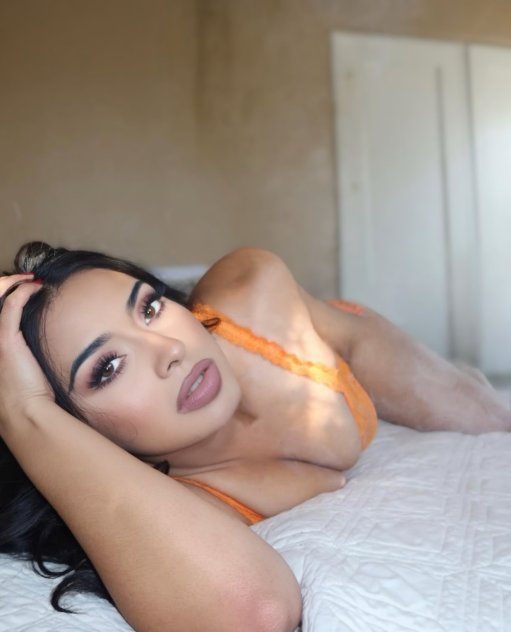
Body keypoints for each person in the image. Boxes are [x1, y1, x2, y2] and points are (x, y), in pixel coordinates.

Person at [0, 241, 509, 632]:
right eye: (108, 367)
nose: (168, 349)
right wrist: (26, 416)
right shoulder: (188, 505)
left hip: (343, 327)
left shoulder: (250, 292)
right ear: (73, 431)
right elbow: (255, 613)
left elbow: (361, 342)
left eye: (149, 308)